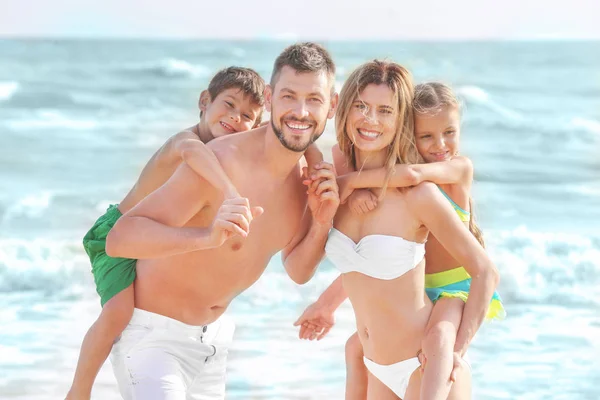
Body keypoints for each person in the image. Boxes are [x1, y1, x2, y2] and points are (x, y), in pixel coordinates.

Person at [103, 42, 340, 399]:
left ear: (332, 106)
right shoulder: (222, 160)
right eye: (289, 96)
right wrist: (207, 236)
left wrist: (322, 221)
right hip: (154, 339)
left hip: (212, 345)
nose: (301, 111)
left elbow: (298, 271)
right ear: (271, 97)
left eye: (315, 100)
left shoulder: (308, 179)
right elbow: (120, 239)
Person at [296, 60, 499, 399]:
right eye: (360, 106)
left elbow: (485, 272)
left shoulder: (426, 188)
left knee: (439, 338)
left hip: (433, 340)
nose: (440, 145)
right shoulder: (356, 190)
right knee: (352, 346)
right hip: (378, 366)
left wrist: (456, 350)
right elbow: (369, 267)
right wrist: (324, 305)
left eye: (385, 110)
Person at [66, 66, 266, 399]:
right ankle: (79, 391)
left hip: (151, 243)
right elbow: (194, 155)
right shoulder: (185, 141)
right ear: (204, 101)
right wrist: (232, 193)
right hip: (116, 234)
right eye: (228, 105)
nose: (235, 117)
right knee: (118, 313)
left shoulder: (229, 152)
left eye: (247, 115)